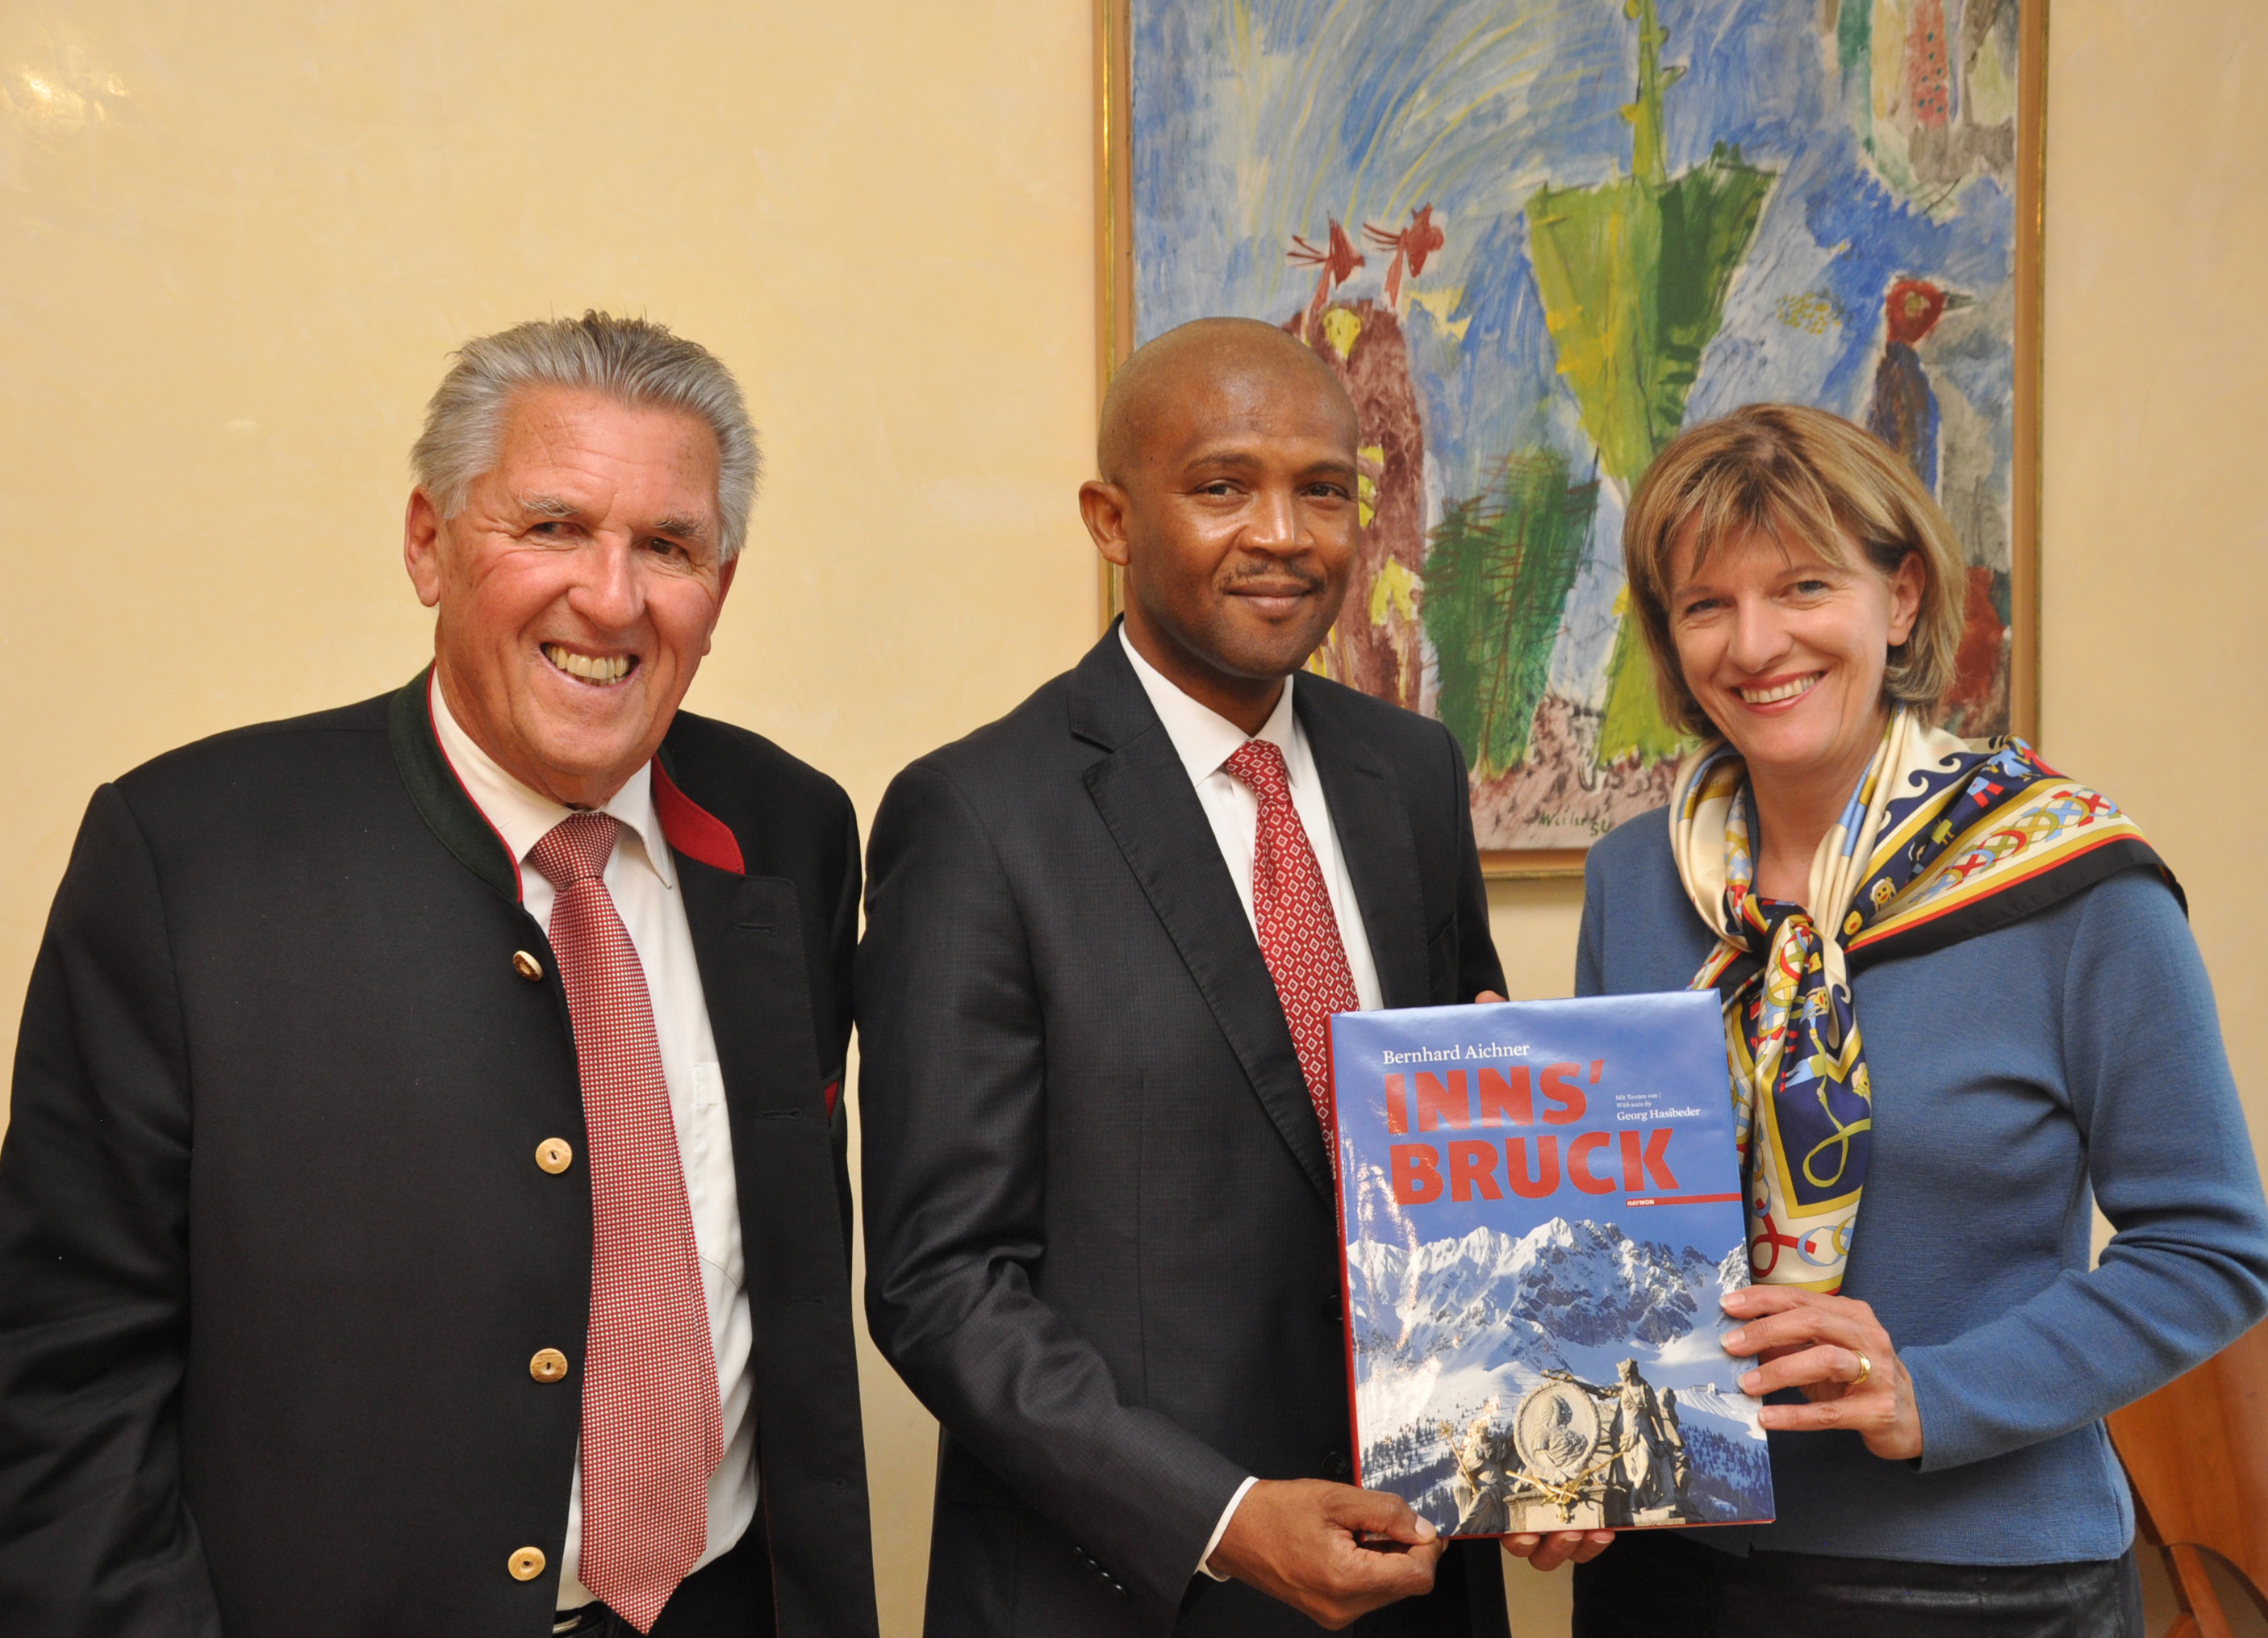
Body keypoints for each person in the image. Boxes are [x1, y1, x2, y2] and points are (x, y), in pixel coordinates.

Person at [0, 313, 879, 1638]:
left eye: (669, 545)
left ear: (722, 584)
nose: (612, 596)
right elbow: (64, 1385)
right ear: (429, 544)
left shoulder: (792, 832)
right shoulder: (189, 858)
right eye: (551, 527)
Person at [857, 316, 1606, 1637]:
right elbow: (943, 1282)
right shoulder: (976, 817)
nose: (1286, 534)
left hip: (1418, 1575)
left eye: (1325, 489)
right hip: (1130, 1590)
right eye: (1223, 485)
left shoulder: (1411, 775)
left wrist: (1553, 1429)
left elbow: (1470, 1161)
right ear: (1110, 515)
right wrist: (1218, 1515)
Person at [1567, 403, 2268, 1636]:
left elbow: (2212, 1248)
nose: (1756, 641)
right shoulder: (1636, 878)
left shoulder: (2076, 883)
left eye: (1802, 585)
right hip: (1665, 1575)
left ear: (1898, 600)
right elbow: (1612, 1220)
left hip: (1976, 1580)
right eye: (1705, 604)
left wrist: (1927, 1391)